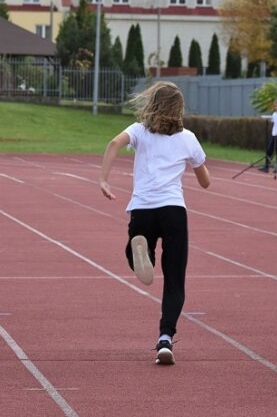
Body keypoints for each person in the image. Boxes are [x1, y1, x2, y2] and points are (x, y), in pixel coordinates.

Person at [99, 81, 210, 365]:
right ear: (179, 109)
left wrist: (103, 179)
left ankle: (142, 253)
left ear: (152, 104)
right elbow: (205, 181)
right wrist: (199, 172)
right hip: (174, 210)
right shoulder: (188, 138)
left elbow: (113, 143)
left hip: (143, 209)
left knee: (135, 248)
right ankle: (165, 338)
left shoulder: (139, 132)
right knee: (174, 280)